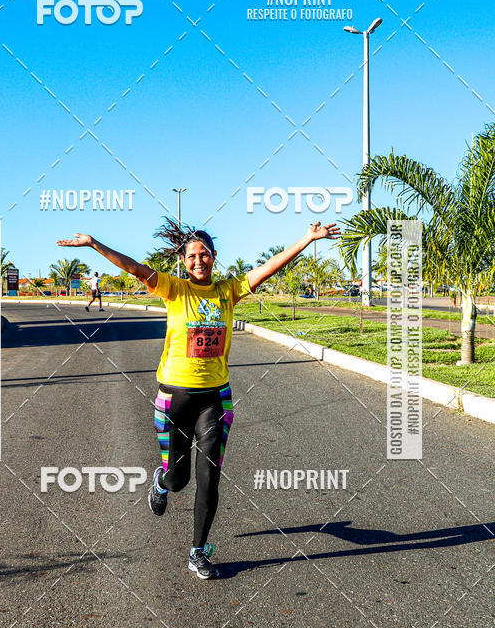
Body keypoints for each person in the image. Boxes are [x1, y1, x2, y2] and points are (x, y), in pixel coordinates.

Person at [58, 217, 340, 579]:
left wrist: (306, 238)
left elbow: (270, 266)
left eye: (204, 254)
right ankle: (160, 482)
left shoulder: (229, 291)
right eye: (192, 256)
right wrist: (96, 244)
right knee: (179, 480)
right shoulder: (174, 289)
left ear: (214, 257)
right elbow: (134, 267)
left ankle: (198, 551)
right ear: (184, 261)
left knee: (210, 477)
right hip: (174, 399)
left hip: (215, 400)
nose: (198, 261)